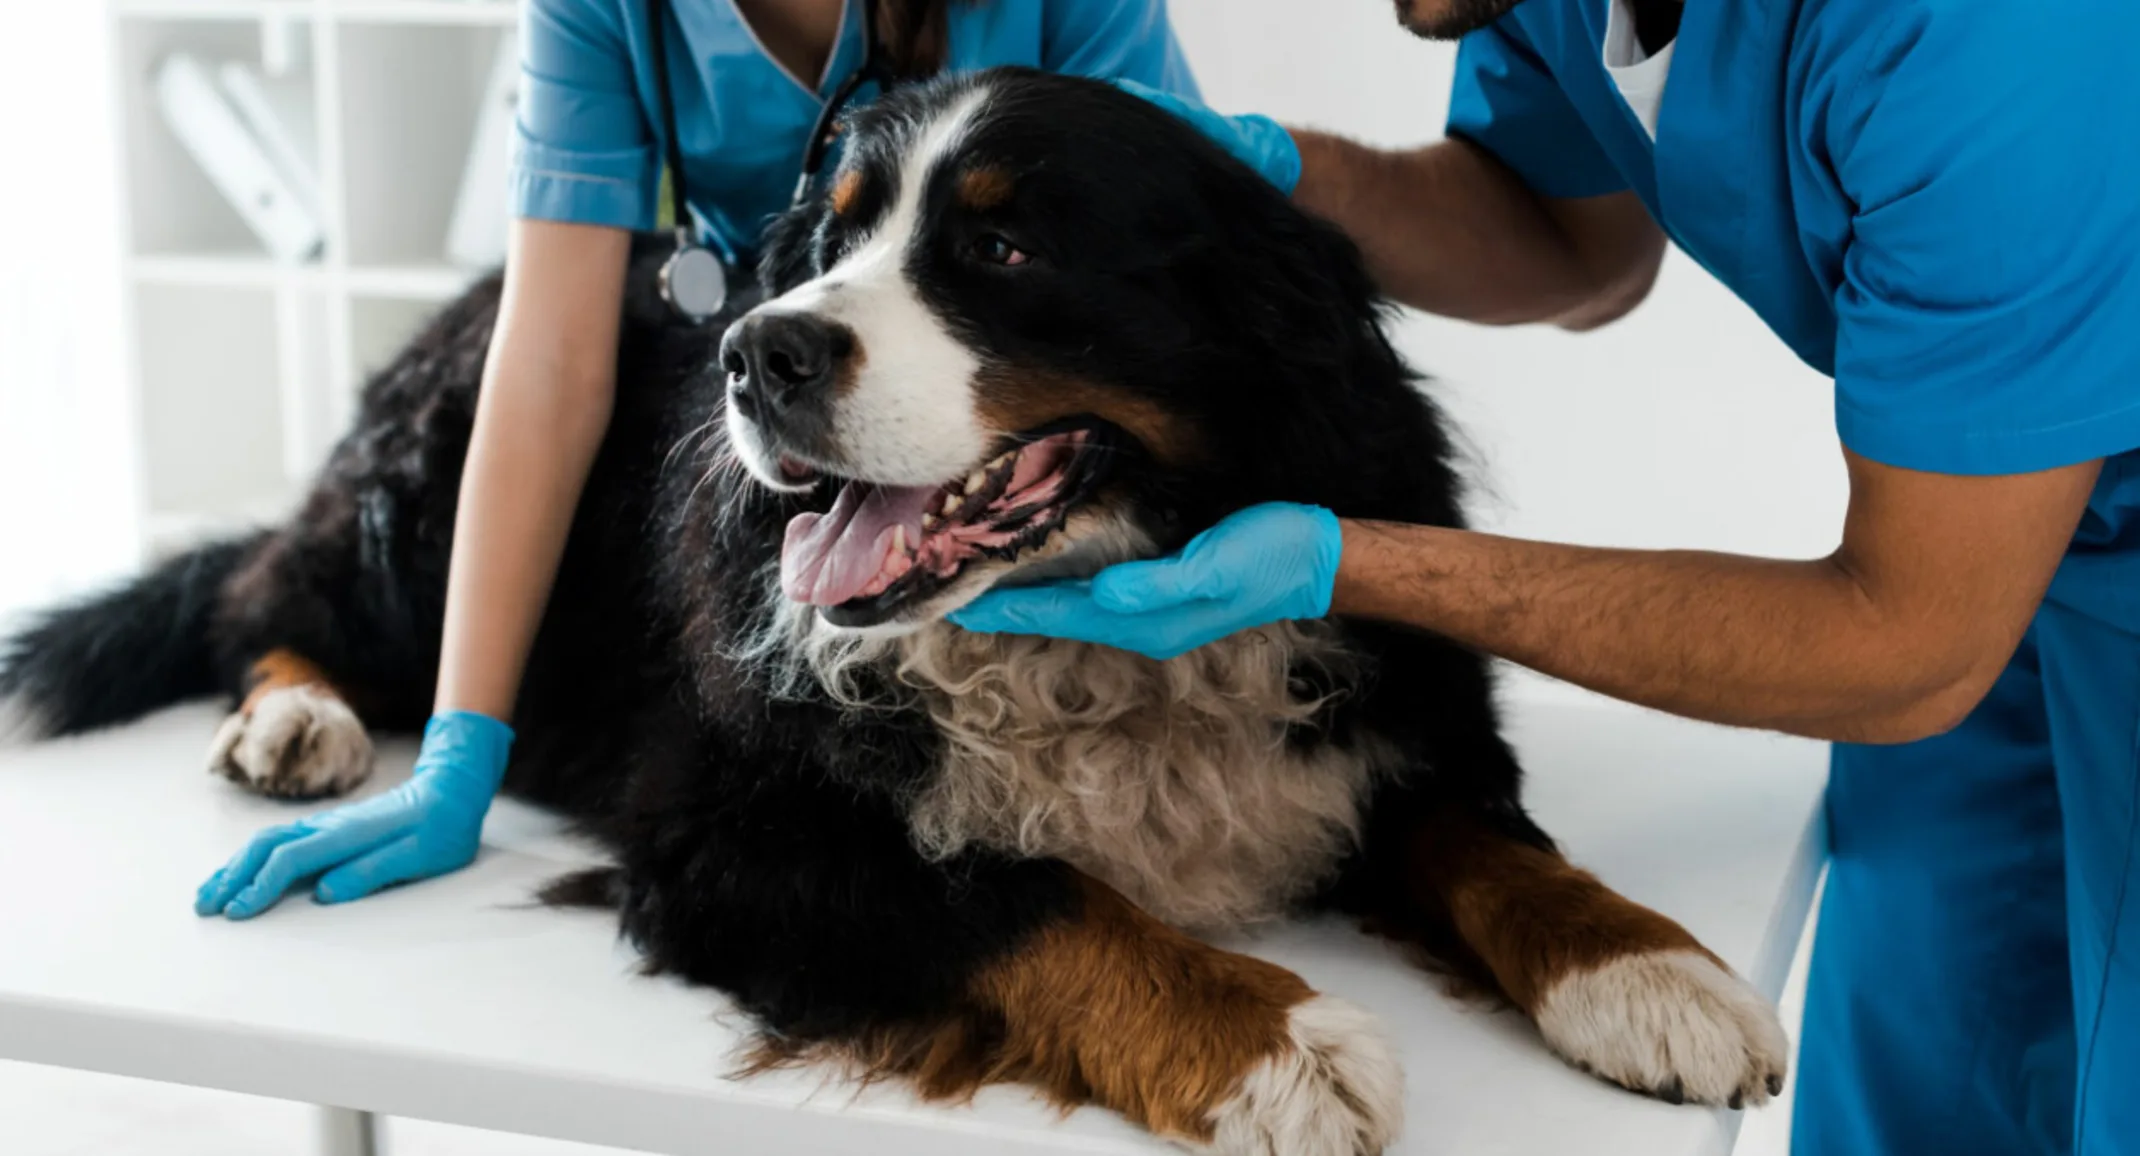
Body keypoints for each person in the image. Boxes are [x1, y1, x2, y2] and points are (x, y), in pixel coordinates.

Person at [948, 1, 2140, 1153]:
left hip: (1981, 575)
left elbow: (1907, 648)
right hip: (2007, 518)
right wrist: (1268, 169)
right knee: (1928, 1054)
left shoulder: (1991, 38)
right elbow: (1569, 244)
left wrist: (1346, 559)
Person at [193, 0, 1198, 921]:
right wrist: (460, 751)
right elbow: (548, 357)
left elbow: (1190, 280)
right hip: (763, 409)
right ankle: (294, 657)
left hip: (1012, 436)